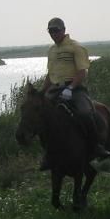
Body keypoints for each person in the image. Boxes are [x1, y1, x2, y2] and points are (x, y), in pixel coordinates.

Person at [42, 16, 99, 168]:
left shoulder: (75, 47)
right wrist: (41, 92)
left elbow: (82, 72)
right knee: (40, 117)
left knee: (85, 113)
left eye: (56, 30)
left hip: (74, 88)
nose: (53, 34)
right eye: (51, 31)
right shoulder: (51, 50)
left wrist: (70, 88)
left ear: (64, 30)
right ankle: (48, 154)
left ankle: (96, 148)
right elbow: (50, 74)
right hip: (55, 88)